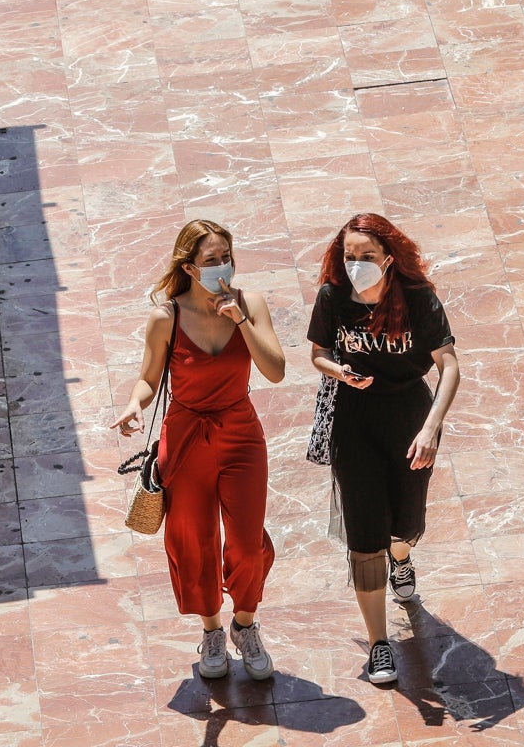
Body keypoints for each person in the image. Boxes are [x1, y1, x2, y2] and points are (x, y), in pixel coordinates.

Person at [111, 219, 286, 681]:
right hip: (186, 436)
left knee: (247, 542)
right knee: (193, 539)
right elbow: (148, 378)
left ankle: (244, 625)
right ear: (189, 267)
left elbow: (276, 370)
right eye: (212, 260)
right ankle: (211, 630)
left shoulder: (251, 303)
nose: (222, 266)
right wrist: (134, 404)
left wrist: (241, 320)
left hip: (240, 433)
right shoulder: (166, 317)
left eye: (227, 257)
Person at [307, 213, 460, 686]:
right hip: (353, 423)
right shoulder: (333, 296)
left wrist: (431, 428)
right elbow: (318, 354)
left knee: (405, 524)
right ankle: (379, 643)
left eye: (367, 255)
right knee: (365, 535)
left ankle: (402, 557)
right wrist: (340, 372)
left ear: (389, 258)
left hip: (410, 420)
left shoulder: (418, 299)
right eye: (349, 255)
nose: (356, 264)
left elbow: (449, 366)